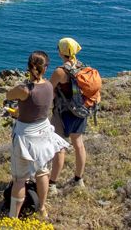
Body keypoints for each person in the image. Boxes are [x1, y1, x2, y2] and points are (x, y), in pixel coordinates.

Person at [6, 51, 70, 218]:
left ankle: (13, 217)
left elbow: (8, 95)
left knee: (20, 179)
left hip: (24, 137)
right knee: (42, 172)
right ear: (46, 68)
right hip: (43, 133)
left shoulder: (24, 89)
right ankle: (42, 208)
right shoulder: (49, 86)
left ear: (28, 67)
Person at [49, 37, 88, 194]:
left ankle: (52, 184)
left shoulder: (60, 71)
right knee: (78, 144)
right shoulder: (82, 67)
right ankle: (79, 179)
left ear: (62, 51)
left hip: (63, 113)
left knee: (59, 147)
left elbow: (48, 89)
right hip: (80, 111)